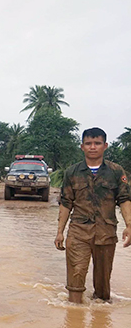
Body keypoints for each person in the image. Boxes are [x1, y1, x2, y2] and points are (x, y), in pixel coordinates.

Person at [54, 127, 131, 303]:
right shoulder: (72, 173)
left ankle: (101, 323)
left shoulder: (116, 171)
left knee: (103, 286)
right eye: (88, 143)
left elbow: (125, 199)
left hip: (106, 233)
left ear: (105, 145)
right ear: (82, 147)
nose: (93, 147)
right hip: (78, 232)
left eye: (97, 143)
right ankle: (74, 322)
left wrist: (129, 225)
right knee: (76, 277)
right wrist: (60, 231)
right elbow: (66, 203)